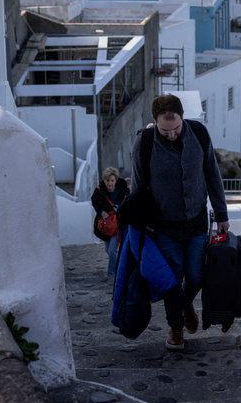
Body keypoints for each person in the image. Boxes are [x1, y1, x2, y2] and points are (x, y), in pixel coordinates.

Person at [131, 94, 229, 350]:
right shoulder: (145, 142)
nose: (172, 134)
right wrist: (143, 221)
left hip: (196, 223)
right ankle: (176, 329)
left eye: (176, 128)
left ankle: (186, 304)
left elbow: (212, 174)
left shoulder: (199, 133)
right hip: (164, 227)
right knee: (171, 281)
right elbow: (138, 188)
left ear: (183, 116)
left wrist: (222, 215)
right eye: (165, 130)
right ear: (154, 121)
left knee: (196, 277)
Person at [91, 167, 127, 278]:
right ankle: (119, 267)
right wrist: (101, 212)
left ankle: (112, 275)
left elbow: (129, 201)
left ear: (116, 180)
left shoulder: (124, 189)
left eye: (112, 180)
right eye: (107, 181)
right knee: (108, 249)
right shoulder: (99, 190)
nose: (109, 183)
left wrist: (121, 210)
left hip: (118, 224)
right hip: (106, 225)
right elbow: (94, 200)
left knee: (112, 251)